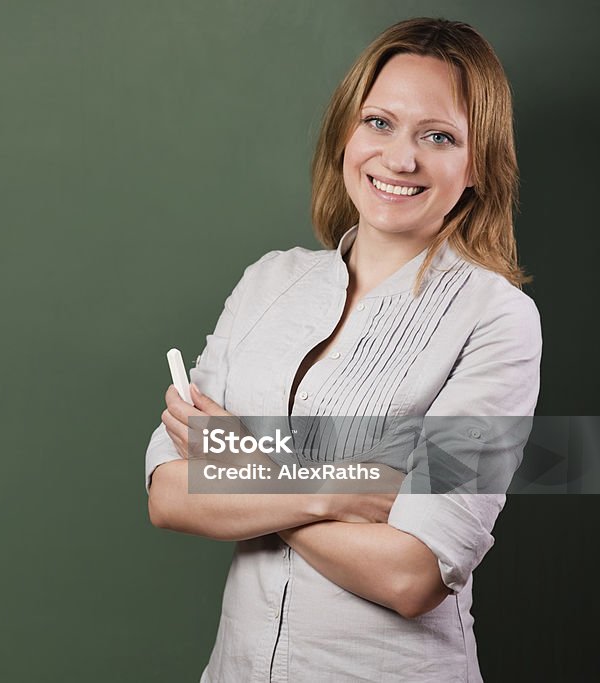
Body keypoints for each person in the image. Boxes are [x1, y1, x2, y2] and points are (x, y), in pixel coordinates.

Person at [144, 18, 542, 682]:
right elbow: (168, 491)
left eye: (438, 136)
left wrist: (242, 466)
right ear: (345, 135)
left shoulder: (497, 318)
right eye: (379, 122)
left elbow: (415, 573)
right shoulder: (267, 279)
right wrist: (339, 489)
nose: (400, 157)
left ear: (477, 165)